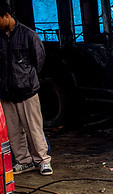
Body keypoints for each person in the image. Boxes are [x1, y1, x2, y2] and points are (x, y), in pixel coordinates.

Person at [0, 2, 52, 176]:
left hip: (27, 91)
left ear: (7, 15)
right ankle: (24, 161)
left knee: (34, 128)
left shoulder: (28, 35)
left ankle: (43, 160)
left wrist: (26, 79)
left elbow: (39, 60)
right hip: (7, 93)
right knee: (13, 131)